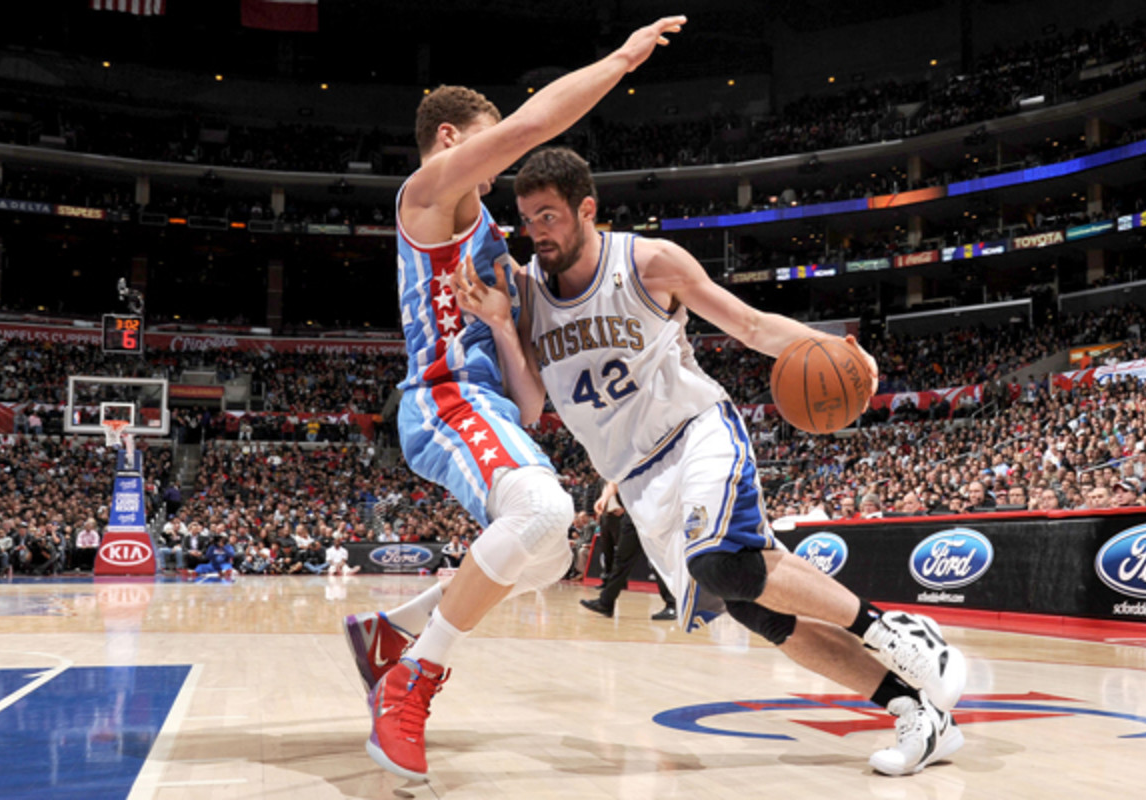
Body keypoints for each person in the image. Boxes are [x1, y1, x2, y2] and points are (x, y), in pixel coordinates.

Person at [452, 146, 967, 776]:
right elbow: (531, 407)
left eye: (549, 216)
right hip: (639, 479)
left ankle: (897, 632)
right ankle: (918, 712)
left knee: (721, 561)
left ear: (587, 208)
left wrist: (836, 349)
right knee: (755, 605)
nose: (537, 233)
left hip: (696, 433)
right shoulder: (528, 295)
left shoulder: (647, 263)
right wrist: (505, 328)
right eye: (527, 219)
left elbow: (750, 326)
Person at [341, 16, 688, 783]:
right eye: (487, 148)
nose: (497, 172)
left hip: (488, 406)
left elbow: (529, 408)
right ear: (449, 140)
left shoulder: (493, 238)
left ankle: (390, 634)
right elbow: (539, 123)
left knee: (546, 558)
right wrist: (624, 59)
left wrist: (504, 325)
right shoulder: (427, 195)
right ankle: (410, 683)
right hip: (440, 399)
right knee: (545, 512)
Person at [579, 481, 676, 620]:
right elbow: (617, 479)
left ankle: (674, 604)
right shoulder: (627, 464)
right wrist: (605, 497)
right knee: (621, 559)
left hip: (651, 515)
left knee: (656, 559)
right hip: (633, 515)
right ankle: (605, 602)